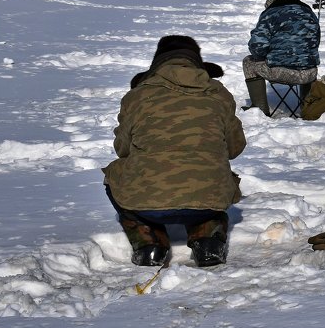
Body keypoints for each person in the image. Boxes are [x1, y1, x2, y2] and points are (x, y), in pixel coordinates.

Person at [103, 35, 245, 268]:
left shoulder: (137, 95)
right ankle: (207, 240)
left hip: (147, 202)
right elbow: (234, 148)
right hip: (209, 200)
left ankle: (150, 243)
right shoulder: (218, 94)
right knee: (214, 181)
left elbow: (122, 150)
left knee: (114, 174)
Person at [242, 0, 321, 115]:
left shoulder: (269, 14)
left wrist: (267, 57)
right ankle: (307, 106)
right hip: (310, 73)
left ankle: (259, 111)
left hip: (282, 72)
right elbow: (315, 42)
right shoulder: (309, 12)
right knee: (306, 59)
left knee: (248, 62)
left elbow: (257, 46)